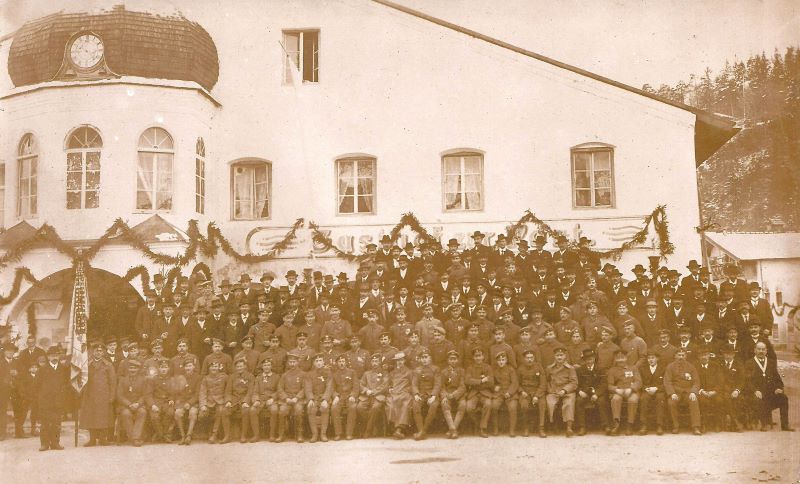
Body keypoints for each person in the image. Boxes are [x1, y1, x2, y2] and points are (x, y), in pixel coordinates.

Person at [745, 341, 793, 432]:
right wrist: (755, 391)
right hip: (757, 393)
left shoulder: (771, 362)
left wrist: (779, 388)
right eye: (759, 349)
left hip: (771, 393)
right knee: (759, 399)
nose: (761, 351)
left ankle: (785, 425)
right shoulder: (749, 363)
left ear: (766, 351)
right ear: (754, 350)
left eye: (763, 349)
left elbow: (777, 379)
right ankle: (764, 424)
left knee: (783, 398)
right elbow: (748, 381)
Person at [80, 341, 117, 446]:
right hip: (90, 395)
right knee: (91, 416)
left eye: (100, 351)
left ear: (103, 352)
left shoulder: (108, 365)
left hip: (104, 396)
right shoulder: (87, 365)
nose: (98, 353)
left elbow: (113, 382)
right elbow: (82, 379)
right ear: (92, 352)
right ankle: (92, 439)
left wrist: (112, 396)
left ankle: (103, 439)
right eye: (96, 351)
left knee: (103, 417)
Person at [37, 346, 69, 451]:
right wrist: (41, 398)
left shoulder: (64, 369)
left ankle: (55, 443)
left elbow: (66, 384)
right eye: (52, 355)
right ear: (48, 357)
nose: (54, 357)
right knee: (45, 423)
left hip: (58, 401)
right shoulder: (42, 369)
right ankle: (44, 444)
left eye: (56, 355)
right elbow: (36, 386)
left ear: (59, 356)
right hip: (45, 401)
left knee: (56, 423)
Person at [664, 347, 702, 435]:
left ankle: (696, 427)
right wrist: (672, 393)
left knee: (694, 400)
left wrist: (693, 392)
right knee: (671, 402)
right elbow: (667, 381)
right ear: (675, 356)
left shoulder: (691, 367)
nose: (681, 357)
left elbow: (696, 381)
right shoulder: (670, 367)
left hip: (688, 391)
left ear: (686, 356)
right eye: (679, 355)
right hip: (676, 392)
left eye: (683, 355)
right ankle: (675, 426)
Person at [544, 346, 577, 437]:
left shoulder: (570, 368)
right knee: (550, 403)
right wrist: (550, 389)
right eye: (557, 355)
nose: (559, 357)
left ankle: (569, 428)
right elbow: (546, 381)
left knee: (569, 403)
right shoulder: (549, 368)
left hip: (567, 392)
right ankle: (553, 425)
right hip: (554, 391)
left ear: (565, 356)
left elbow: (574, 383)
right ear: (554, 356)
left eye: (561, 355)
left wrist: (564, 390)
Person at [606, 350, 641, 436]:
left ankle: (630, 424)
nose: (621, 360)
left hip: (631, 391)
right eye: (618, 358)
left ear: (626, 358)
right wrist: (616, 390)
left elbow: (638, 382)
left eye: (622, 358)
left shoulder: (633, 368)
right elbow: (609, 385)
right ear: (615, 359)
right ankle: (616, 424)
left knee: (633, 400)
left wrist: (631, 389)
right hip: (619, 391)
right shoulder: (612, 370)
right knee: (615, 399)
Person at [575, 348, 609, 435]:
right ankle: (582, 427)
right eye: (586, 359)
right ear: (584, 360)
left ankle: (606, 425)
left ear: (594, 358)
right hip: (584, 392)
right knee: (579, 401)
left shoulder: (600, 369)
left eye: (591, 358)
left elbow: (604, 384)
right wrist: (580, 391)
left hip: (598, 392)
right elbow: (576, 383)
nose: (589, 361)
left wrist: (597, 394)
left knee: (602, 401)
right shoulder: (579, 370)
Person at [116, 358, 149, 447]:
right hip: (126, 406)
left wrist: (138, 404)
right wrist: (129, 404)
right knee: (126, 414)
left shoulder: (143, 380)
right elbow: (119, 395)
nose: (132, 370)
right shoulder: (122, 380)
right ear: (128, 369)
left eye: (135, 368)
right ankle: (135, 439)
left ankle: (134, 438)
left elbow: (145, 395)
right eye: (131, 368)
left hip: (139, 405)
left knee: (142, 412)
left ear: (138, 369)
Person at [223, 357, 255, 443]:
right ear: (235, 368)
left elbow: (250, 391)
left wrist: (246, 401)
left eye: (241, 366)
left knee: (245, 411)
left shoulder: (250, 376)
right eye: (238, 366)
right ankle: (227, 436)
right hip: (234, 399)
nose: (239, 368)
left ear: (245, 366)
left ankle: (243, 435)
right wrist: (228, 401)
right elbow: (228, 391)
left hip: (244, 398)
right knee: (225, 411)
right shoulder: (232, 377)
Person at [411, 350, 441, 440]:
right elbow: (414, 384)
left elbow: (437, 384)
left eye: (426, 357)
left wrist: (433, 396)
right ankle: (421, 430)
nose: (424, 360)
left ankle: (423, 430)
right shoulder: (417, 370)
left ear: (430, 358)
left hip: (432, 394)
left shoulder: (436, 369)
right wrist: (416, 394)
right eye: (422, 358)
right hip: (420, 394)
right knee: (415, 405)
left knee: (434, 406)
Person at [249, 358, 281, 442]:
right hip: (261, 399)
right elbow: (255, 391)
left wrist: (273, 398)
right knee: (252, 410)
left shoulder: (276, 377)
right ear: (262, 367)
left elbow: (279, 391)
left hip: (271, 399)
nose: (266, 367)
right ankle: (256, 435)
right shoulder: (258, 378)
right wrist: (256, 400)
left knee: (274, 410)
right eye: (265, 365)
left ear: (271, 366)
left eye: (268, 365)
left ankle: (272, 435)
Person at [358, 353, 389, 438]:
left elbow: (385, 386)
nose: (374, 363)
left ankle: (368, 430)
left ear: (379, 362)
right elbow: (361, 384)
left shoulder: (385, 373)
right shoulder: (366, 373)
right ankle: (373, 424)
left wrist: (374, 392)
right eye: (373, 361)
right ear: (371, 363)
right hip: (367, 397)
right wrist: (366, 390)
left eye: (376, 361)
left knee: (375, 408)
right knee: (359, 407)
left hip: (378, 397)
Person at [278, 352, 307, 443]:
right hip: (287, 399)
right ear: (288, 363)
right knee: (282, 411)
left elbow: (304, 388)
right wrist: (286, 398)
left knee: (298, 411)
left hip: (298, 399)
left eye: (294, 362)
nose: (292, 364)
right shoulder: (285, 375)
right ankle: (281, 435)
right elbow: (280, 388)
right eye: (290, 362)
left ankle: (299, 435)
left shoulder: (303, 374)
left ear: (298, 362)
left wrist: (297, 398)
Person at [171, 357, 201, 445]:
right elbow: (177, 392)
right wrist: (181, 402)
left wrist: (190, 403)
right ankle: (182, 436)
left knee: (193, 412)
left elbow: (197, 393)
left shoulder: (198, 377)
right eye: (186, 366)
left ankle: (189, 435)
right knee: (178, 413)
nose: (188, 368)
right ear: (184, 368)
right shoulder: (180, 377)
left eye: (190, 366)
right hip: (182, 401)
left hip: (193, 402)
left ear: (193, 367)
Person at [465, 348, 494, 438]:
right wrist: (481, 381)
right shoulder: (470, 368)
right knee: (469, 408)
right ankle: (478, 423)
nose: (478, 358)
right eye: (476, 356)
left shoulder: (488, 367)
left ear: (483, 357)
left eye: (480, 356)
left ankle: (482, 428)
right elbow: (467, 381)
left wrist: (475, 382)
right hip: (473, 393)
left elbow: (491, 382)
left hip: (485, 392)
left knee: (488, 404)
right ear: (473, 357)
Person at [330, 354, 359, 441]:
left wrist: (353, 395)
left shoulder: (352, 372)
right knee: (334, 408)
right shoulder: (334, 374)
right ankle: (338, 433)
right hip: (340, 397)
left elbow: (356, 386)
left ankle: (349, 433)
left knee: (352, 408)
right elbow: (332, 388)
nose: (341, 363)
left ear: (346, 363)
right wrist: (335, 396)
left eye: (343, 361)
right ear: (337, 363)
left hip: (350, 396)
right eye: (339, 362)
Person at [305, 354, 333, 443]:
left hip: (324, 396)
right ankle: (315, 434)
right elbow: (308, 387)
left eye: (320, 360)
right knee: (311, 408)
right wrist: (310, 399)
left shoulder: (328, 373)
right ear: (313, 363)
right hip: (314, 397)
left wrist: (325, 399)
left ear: (323, 362)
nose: (319, 363)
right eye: (316, 361)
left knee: (324, 408)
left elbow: (329, 386)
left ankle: (323, 434)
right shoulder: (309, 374)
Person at [491, 351, 519, 437]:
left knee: (512, 407)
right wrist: (494, 387)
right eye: (499, 360)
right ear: (497, 361)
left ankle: (512, 430)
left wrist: (509, 393)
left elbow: (515, 383)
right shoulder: (495, 370)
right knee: (494, 406)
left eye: (503, 360)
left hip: (510, 393)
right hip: (499, 393)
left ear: (506, 360)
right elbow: (492, 382)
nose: (501, 362)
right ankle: (495, 428)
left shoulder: (511, 370)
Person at [439, 350, 466, 439]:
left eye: (454, 359)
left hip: (459, 394)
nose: (453, 361)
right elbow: (442, 387)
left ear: (457, 360)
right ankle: (453, 429)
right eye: (451, 359)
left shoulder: (461, 371)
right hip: (447, 394)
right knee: (445, 404)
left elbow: (462, 386)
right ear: (448, 360)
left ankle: (451, 430)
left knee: (462, 405)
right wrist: (445, 396)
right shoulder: (443, 372)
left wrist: (454, 394)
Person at [638, 349, 666, 435]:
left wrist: (657, 388)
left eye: (653, 358)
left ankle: (659, 425)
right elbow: (640, 382)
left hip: (659, 390)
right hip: (647, 390)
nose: (650, 360)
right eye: (649, 358)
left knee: (660, 398)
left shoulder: (663, 368)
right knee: (643, 399)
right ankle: (644, 425)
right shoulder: (643, 369)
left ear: (657, 359)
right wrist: (646, 388)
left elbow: (666, 383)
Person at [199, 360, 228, 443]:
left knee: (220, 411)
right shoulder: (206, 378)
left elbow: (228, 390)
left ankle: (214, 434)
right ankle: (208, 432)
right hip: (209, 401)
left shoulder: (224, 377)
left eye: (216, 366)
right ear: (209, 368)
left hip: (221, 401)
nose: (214, 368)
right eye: (212, 367)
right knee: (202, 413)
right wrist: (203, 405)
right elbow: (202, 392)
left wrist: (226, 401)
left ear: (219, 368)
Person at [387, 352, 414, 439]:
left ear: (404, 361)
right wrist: (390, 388)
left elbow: (413, 385)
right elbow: (389, 383)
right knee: (391, 405)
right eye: (397, 360)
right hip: (394, 394)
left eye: (401, 360)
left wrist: (406, 390)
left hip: (405, 393)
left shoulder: (409, 372)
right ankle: (395, 428)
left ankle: (399, 429)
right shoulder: (392, 373)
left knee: (405, 405)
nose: (399, 362)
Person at [147, 360, 175, 442]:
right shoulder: (153, 379)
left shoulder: (171, 379)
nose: (163, 369)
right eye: (162, 367)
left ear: (168, 369)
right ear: (158, 368)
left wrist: (172, 399)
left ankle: (161, 434)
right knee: (154, 417)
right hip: (156, 402)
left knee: (170, 413)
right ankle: (163, 435)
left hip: (166, 402)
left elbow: (173, 392)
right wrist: (152, 405)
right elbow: (148, 394)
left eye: (165, 367)